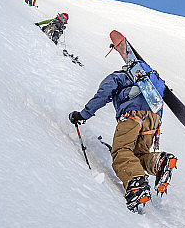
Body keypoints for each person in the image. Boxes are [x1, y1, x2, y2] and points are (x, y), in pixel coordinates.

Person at [68, 60, 177, 212]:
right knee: (138, 155)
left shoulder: (118, 77)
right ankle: (160, 162)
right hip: (154, 120)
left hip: (132, 114)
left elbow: (103, 95)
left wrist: (82, 115)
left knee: (121, 152)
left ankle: (136, 184)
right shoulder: (152, 81)